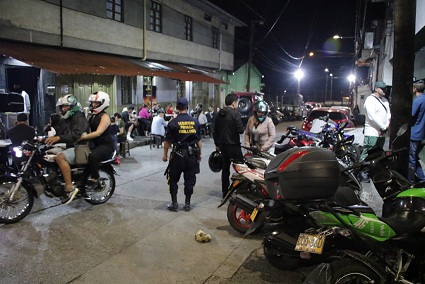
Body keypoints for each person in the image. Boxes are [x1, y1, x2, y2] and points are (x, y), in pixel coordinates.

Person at [45, 94, 89, 204]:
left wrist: (59, 138)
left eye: (65, 106)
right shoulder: (66, 119)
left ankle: (69, 187)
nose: (63, 109)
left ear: (72, 106)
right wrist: (46, 139)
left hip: (81, 148)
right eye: (62, 107)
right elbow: (61, 133)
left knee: (60, 157)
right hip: (71, 146)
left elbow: (76, 135)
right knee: (47, 154)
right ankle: (55, 181)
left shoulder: (79, 117)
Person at [162, 97, 202, 212]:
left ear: (177, 108)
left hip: (177, 155)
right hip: (191, 155)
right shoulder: (195, 121)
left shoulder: (173, 122)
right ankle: (187, 204)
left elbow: (167, 142)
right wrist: (200, 154)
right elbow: (199, 140)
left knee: (173, 179)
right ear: (187, 107)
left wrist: (165, 155)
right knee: (189, 179)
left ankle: (174, 203)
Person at [79, 91, 115, 190]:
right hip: (94, 144)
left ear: (103, 103)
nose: (94, 105)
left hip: (106, 145)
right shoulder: (92, 115)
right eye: (93, 103)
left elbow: (98, 132)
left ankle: (95, 178)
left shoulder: (105, 116)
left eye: (96, 103)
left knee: (93, 156)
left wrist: (83, 137)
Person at [213, 93, 245, 198]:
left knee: (225, 169)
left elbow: (215, 130)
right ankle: (241, 191)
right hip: (234, 146)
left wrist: (217, 144)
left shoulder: (218, 114)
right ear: (233, 103)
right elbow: (240, 130)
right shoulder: (235, 114)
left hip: (222, 146)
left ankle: (225, 192)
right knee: (241, 169)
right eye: (237, 103)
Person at [359, 81, 391, 182]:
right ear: (376, 89)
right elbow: (372, 116)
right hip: (372, 131)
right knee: (368, 152)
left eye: (385, 88)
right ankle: (362, 172)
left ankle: (373, 171)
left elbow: (388, 114)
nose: (385, 90)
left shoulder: (385, 100)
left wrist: (386, 126)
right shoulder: (370, 100)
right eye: (383, 88)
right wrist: (382, 126)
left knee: (378, 153)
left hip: (382, 132)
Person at [408, 80, 425, 184]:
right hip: (422, 135)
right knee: (415, 157)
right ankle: (422, 179)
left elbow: (411, 114)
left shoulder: (418, 101)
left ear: (414, 89)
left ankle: (410, 182)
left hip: (415, 134)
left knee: (411, 159)